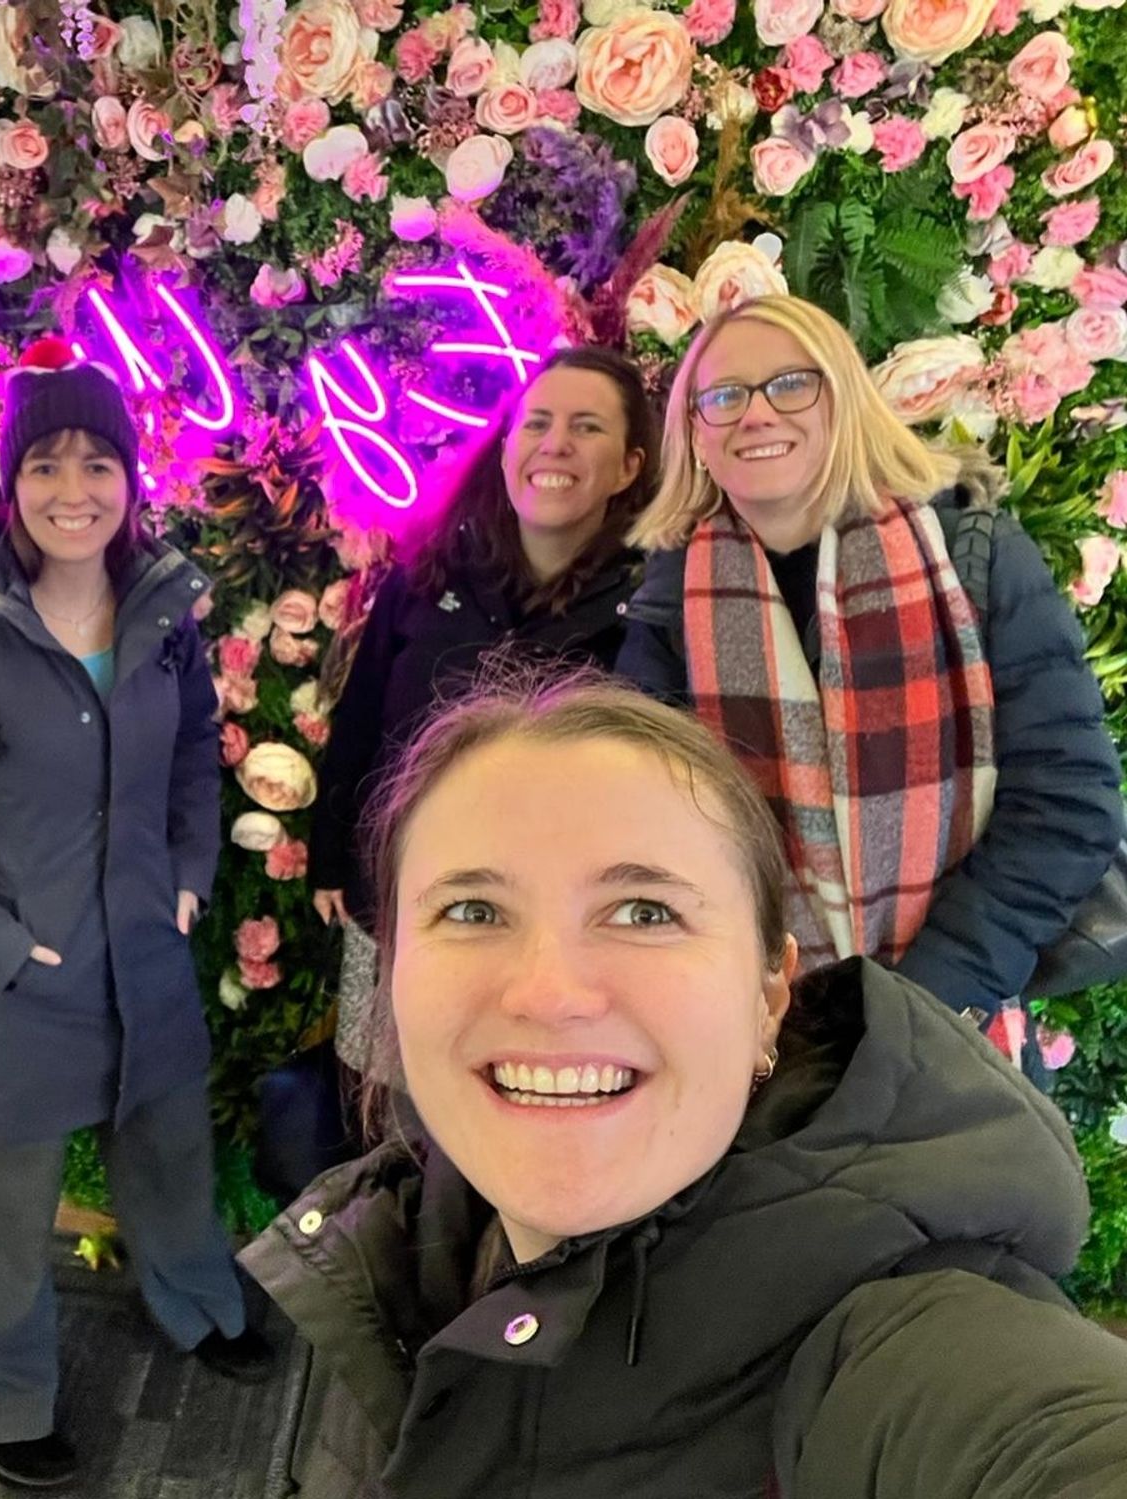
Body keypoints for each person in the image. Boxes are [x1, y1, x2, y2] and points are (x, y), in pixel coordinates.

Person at [241, 675, 1127, 1499]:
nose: (549, 994)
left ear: (769, 993)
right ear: (392, 973)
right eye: (472, 910)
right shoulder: (387, 1253)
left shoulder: (891, 1339)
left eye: (645, 911)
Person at [0, 338, 271, 1491]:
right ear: (9, 474)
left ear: (133, 478)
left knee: (168, 1150)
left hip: (143, 941)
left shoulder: (164, 615)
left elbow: (195, 748)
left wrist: (189, 865)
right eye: (46, 461)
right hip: (15, 971)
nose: (74, 489)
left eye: (99, 460)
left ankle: (197, 1303)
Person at [616, 295, 1123, 1069]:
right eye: (721, 397)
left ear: (844, 399)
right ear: (695, 435)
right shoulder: (668, 603)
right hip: (751, 1041)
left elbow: (1067, 803)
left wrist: (923, 1000)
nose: (755, 414)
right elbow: (648, 827)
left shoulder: (974, 552)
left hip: (953, 1028)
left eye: (791, 384)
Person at [310, 346, 658, 1073]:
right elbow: (363, 719)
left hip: (553, 943)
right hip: (403, 905)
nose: (555, 443)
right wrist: (332, 855)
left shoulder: (649, 608)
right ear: (505, 448)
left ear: (629, 466)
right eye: (537, 422)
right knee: (385, 1103)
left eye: (587, 427)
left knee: (512, 1104)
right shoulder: (428, 573)